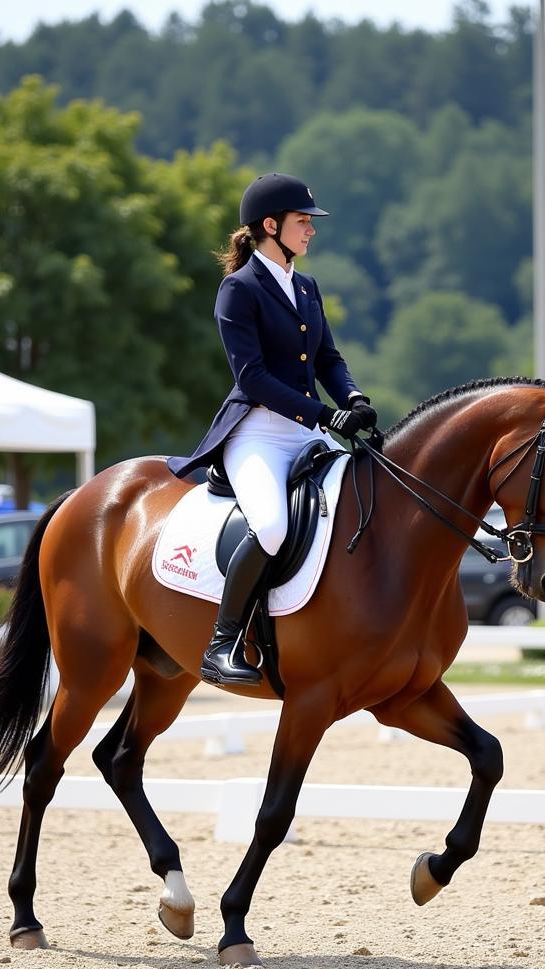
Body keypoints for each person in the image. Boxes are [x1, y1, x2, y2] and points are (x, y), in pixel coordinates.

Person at [167, 172, 378, 686]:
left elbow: (328, 358)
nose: (311, 231)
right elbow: (253, 377)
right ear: (270, 225)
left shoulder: (306, 287)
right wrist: (326, 414)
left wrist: (351, 397)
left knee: (366, 493)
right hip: (258, 432)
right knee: (273, 526)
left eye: (309, 222)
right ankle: (223, 643)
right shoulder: (238, 290)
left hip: (305, 430)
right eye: (303, 222)